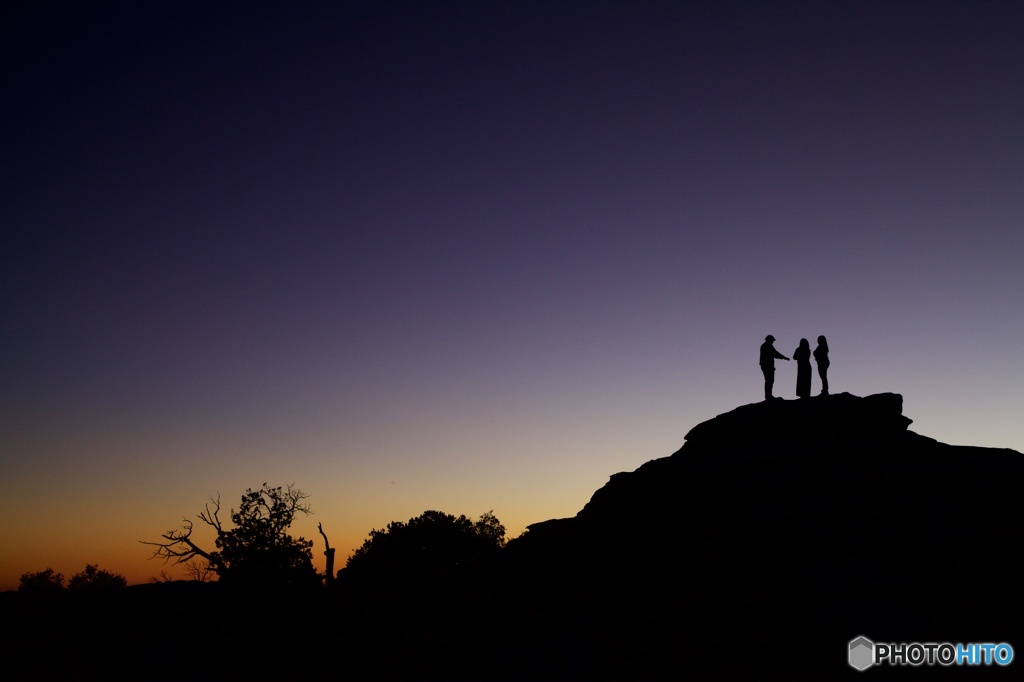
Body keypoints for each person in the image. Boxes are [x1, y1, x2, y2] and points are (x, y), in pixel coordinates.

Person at [759, 335, 790, 400]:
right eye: (772, 340)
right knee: (769, 380)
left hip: (768, 365)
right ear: (769, 340)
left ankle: (768, 395)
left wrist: (783, 357)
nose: (772, 342)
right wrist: (784, 357)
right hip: (767, 365)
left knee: (770, 380)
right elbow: (774, 354)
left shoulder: (768, 345)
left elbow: (774, 354)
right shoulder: (766, 346)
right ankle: (768, 396)